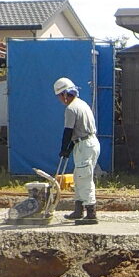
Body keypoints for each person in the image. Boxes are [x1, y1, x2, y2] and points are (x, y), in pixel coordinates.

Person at [53, 77, 100, 224]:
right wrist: (70, 148)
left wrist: (63, 149)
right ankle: (78, 209)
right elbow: (80, 129)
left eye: (60, 96)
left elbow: (68, 131)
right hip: (88, 142)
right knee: (78, 176)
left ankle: (91, 213)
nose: (60, 99)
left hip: (84, 145)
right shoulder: (82, 104)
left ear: (65, 94)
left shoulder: (71, 109)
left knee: (84, 178)